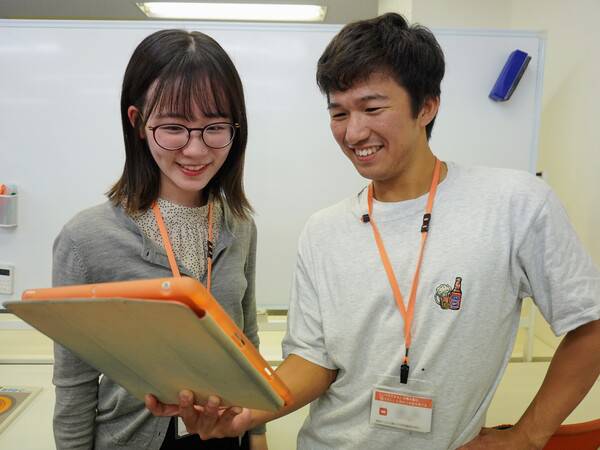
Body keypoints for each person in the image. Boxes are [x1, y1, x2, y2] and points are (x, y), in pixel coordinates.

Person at [146, 13, 600, 450]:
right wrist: (244, 413)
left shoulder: (514, 204)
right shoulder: (324, 231)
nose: (353, 131)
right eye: (338, 113)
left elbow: (589, 325)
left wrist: (529, 435)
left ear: (427, 105)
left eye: (372, 107)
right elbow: (314, 361)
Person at [52, 29, 268, 450]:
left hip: (227, 437)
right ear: (137, 122)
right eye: (174, 128)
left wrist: (257, 436)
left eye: (214, 128)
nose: (195, 150)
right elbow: (74, 384)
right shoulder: (85, 239)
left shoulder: (239, 225)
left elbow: (249, 340)